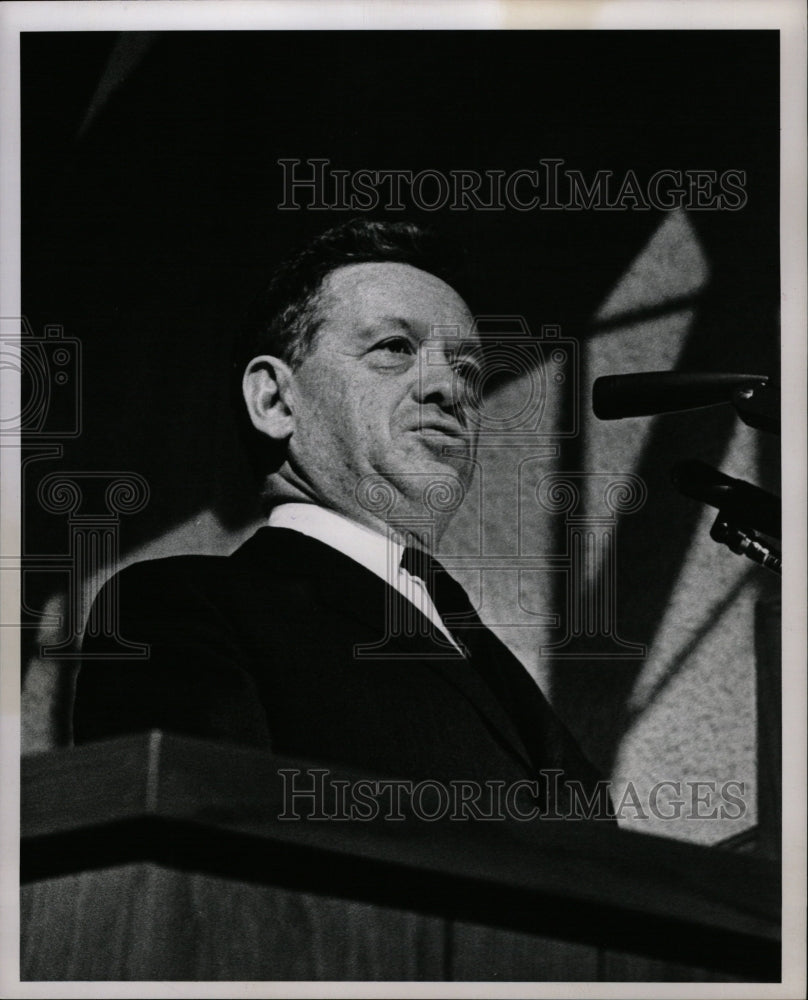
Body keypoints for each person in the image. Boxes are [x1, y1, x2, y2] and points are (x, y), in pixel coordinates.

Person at [73, 219, 608, 815]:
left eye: (468, 369)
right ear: (274, 401)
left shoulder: (478, 650)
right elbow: (195, 879)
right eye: (395, 348)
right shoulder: (178, 611)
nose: (450, 390)